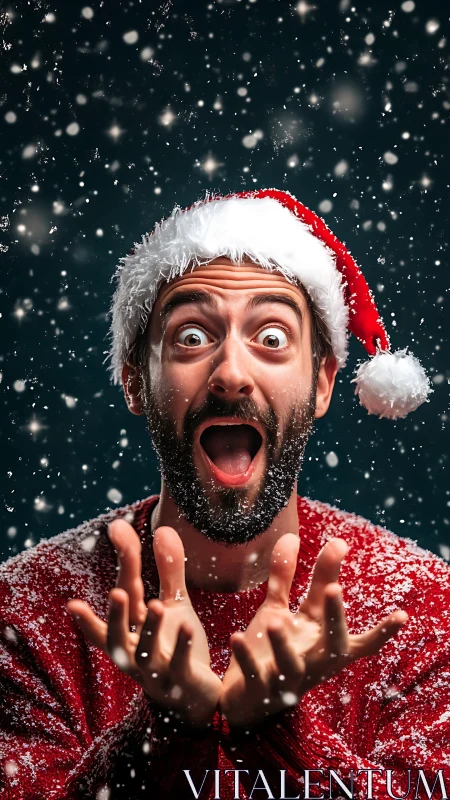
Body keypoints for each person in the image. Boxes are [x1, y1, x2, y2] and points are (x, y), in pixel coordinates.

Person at [1, 189, 449, 800]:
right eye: (190, 336)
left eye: (270, 336)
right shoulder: (22, 616)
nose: (232, 373)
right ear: (136, 381)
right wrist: (161, 734)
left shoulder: (424, 612)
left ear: (321, 382)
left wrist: (278, 734)